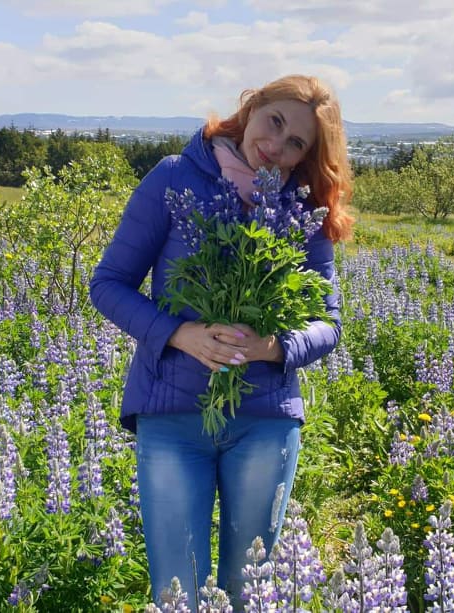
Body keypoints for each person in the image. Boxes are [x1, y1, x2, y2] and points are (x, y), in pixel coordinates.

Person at [88, 74, 354, 608]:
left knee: (248, 588)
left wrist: (273, 346)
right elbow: (107, 285)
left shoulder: (302, 211)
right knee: (177, 589)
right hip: (172, 415)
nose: (275, 145)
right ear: (253, 106)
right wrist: (181, 334)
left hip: (264, 417)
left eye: (296, 142)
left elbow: (329, 324)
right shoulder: (175, 178)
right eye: (275, 121)